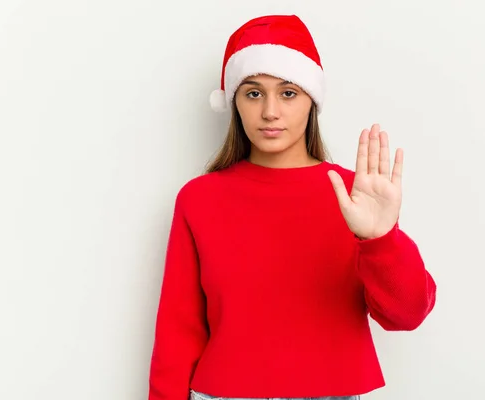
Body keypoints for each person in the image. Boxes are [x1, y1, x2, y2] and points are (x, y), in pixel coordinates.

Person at [148, 14, 436, 400]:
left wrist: (381, 240)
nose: (270, 111)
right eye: (253, 93)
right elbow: (177, 332)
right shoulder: (199, 199)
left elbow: (408, 314)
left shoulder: (357, 194)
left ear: (311, 100)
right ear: (233, 101)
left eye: (288, 93)